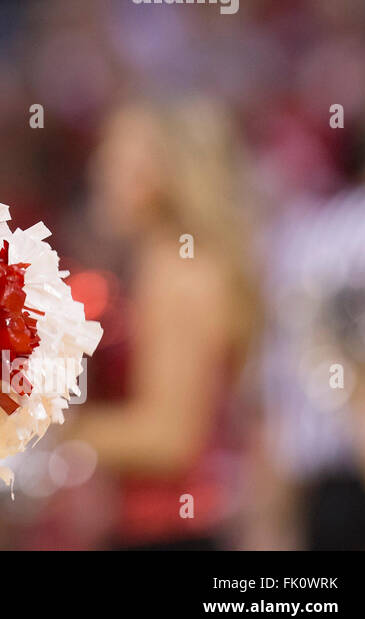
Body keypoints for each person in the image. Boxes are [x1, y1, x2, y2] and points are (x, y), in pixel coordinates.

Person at [57, 97, 261, 549]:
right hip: (149, 527)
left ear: (165, 174)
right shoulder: (158, 265)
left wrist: (45, 430)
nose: (98, 169)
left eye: (116, 156)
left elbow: (170, 439)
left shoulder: (180, 273)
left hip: (175, 531)